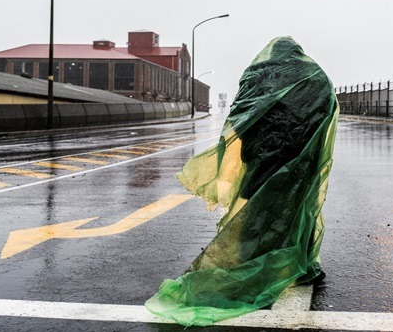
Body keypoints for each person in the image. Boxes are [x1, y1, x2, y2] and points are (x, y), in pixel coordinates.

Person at [145, 36, 339, 326]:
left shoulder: (259, 75)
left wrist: (254, 143)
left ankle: (251, 258)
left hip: (262, 154)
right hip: (300, 157)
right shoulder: (315, 78)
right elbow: (326, 111)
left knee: (257, 210)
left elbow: (240, 113)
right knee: (298, 209)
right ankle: (299, 263)